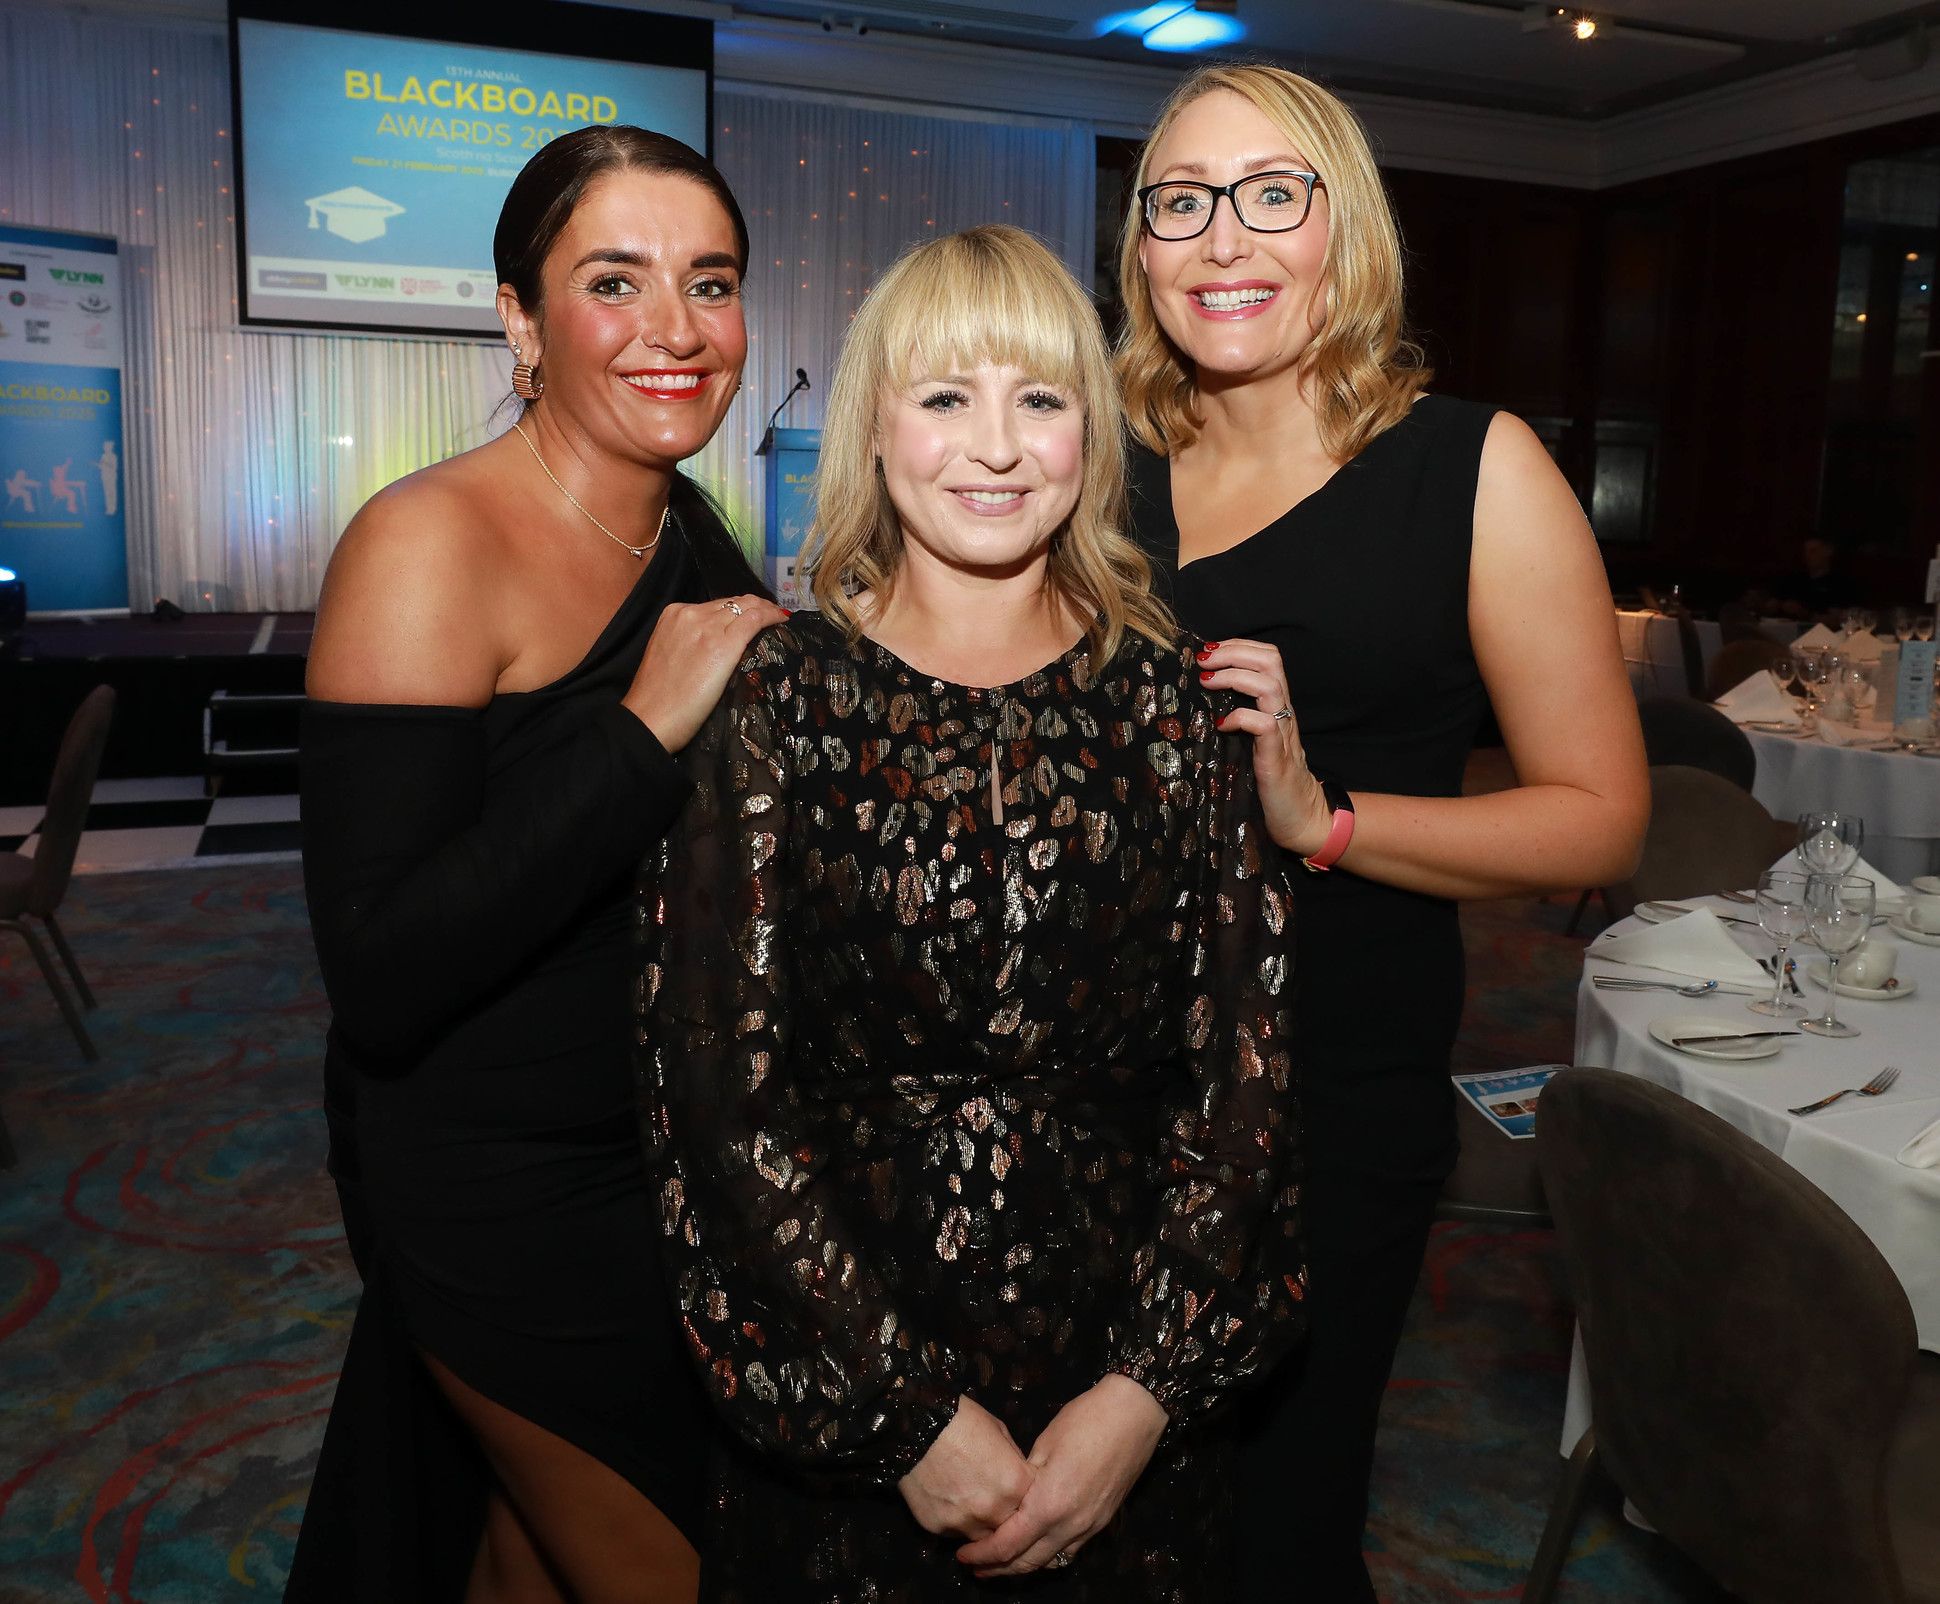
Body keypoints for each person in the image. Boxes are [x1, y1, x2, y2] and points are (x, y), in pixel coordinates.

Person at [634, 224, 1306, 1603]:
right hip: (849, 1355)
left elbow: (1248, 1078)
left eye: (1040, 399)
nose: (996, 448)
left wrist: (1144, 1392)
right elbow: (718, 1095)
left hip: (1123, 1360)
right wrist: (906, 1415)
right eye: (946, 398)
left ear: (1093, 439)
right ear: (875, 430)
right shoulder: (778, 700)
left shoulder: (1186, 705)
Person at [1115, 65, 1649, 1602]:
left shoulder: (1471, 467)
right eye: (1184, 202)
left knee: (1272, 1521)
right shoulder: (1093, 461)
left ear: (1346, 234)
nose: (1227, 239)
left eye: (1276, 195)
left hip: (1320, 1091)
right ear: (1143, 249)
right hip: (1088, 1079)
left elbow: (1597, 819)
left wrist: (1321, 818)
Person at [287, 126, 785, 1604]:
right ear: (520, 319)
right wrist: (639, 733)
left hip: (672, 1156)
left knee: (519, 1561)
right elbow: (381, 969)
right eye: (614, 283)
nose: (676, 332)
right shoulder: (428, 541)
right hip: (499, 1181)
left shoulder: (696, 534)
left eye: (712, 282)